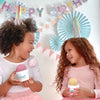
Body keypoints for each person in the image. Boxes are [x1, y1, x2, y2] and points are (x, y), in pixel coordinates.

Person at [0, 18, 43, 100]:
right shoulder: (1, 64)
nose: (33, 47)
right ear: (16, 42)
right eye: (30, 42)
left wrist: (32, 84)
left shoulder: (32, 61)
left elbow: (39, 87)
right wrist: (9, 83)